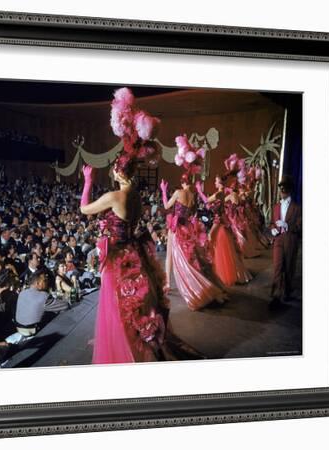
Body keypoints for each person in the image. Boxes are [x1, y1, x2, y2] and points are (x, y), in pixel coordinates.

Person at [79, 86, 203, 364]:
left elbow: (84, 208)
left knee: (118, 306)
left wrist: (88, 181)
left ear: (116, 171)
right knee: (133, 306)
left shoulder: (114, 196)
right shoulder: (134, 195)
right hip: (134, 253)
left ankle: (123, 349)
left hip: (117, 258)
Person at [160, 172, 227, 311]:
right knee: (190, 257)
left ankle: (168, 283)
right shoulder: (193, 196)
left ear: (182, 182)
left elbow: (166, 206)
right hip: (187, 227)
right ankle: (169, 282)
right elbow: (193, 213)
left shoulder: (179, 192)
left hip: (176, 228)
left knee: (171, 256)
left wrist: (163, 190)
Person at [196, 175, 252, 286]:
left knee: (213, 243)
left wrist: (199, 190)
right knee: (223, 248)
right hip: (221, 222)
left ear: (220, 183)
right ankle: (223, 271)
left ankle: (217, 272)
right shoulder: (222, 194)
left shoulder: (218, 194)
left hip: (218, 222)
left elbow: (206, 200)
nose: (215, 183)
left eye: (216, 181)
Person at [269, 176, 301, 308]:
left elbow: (300, 226)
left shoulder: (297, 208)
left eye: (284, 189)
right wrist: (273, 230)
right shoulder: (276, 207)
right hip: (279, 239)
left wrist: (287, 225)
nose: (282, 192)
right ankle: (276, 295)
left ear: (289, 191)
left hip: (290, 239)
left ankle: (287, 291)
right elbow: (272, 223)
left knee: (288, 268)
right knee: (277, 267)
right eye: (281, 189)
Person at [13, 270, 69, 338]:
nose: (47, 282)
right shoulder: (43, 296)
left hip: (19, 328)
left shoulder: (22, 293)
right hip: (34, 330)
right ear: (38, 283)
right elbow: (65, 305)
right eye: (45, 280)